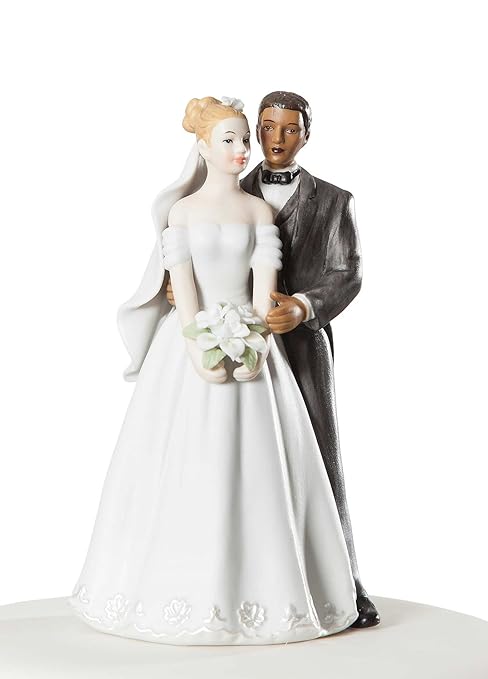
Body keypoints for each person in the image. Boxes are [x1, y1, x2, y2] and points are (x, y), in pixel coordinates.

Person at [69, 96, 358, 645]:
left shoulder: (276, 209)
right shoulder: (184, 212)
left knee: (294, 464)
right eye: (238, 137)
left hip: (270, 341)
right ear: (202, 146)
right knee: (182, 457)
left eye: (247, 138)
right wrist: (198, 339)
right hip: (191, 347)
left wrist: (258, 338)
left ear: (304, 134)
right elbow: (182, 286)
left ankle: (321, 584)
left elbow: (293, 280)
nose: (248, 147)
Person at [168, 92, 380, 628]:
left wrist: (304, 306)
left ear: (306, 134)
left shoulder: (334, 200)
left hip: (300, 346)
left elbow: (347, 271)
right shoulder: (226, 186)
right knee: (232, 459)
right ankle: (239, 582)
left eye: (290, 129)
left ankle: (343, 584)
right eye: (266, 128)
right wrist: (180, 291)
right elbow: (184, 256)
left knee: (318, 460)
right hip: (228, 339)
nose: (275, 139)